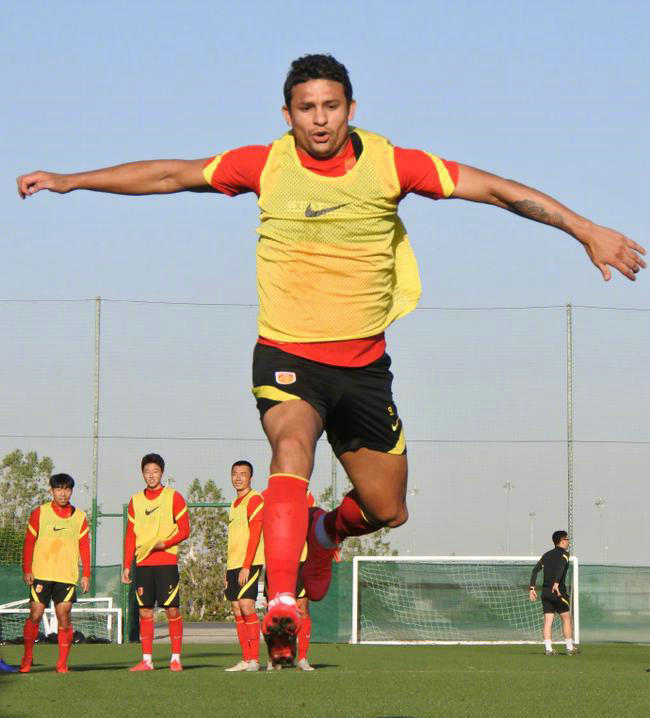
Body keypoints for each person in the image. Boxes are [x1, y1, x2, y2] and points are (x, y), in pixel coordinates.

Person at [16, 54, 646, 665]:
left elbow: (496, 191)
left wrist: (585, 229)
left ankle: (325, 533)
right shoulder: (265, 164)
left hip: (364, 369)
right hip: (287, 354)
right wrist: (72, 180)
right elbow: (168, 175)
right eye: (306, 108)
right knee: (291, 448)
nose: (319, 119)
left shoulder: (391, 164)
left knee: (388, 509)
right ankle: (282, 604)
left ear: (351, 108)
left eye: (331, 106)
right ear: (287, 115)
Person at [122, 453, 189, 671]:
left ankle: (176, 658)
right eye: (147, 471)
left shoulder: (174, 497)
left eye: (155, 471)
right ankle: (147, 660)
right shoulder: (135, 500)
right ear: (142, 474)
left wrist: (165, 543)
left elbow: (185, 530)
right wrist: (126, 565)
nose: (151, 475)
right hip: (142, 563)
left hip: (166, 562)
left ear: (162, 473)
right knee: (145, 611)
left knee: (172, 610)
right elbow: (130, 536)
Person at [20, 473, 91, 673]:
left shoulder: (79, 517)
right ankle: (27, 658)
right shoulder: (39, 513)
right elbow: (29, 542)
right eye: (59, 489)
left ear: (71, 491)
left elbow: (84, 546)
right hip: (41, 574)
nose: (62, 493)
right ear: (52, 490)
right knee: (35, 614)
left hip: (66, 576)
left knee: (64, 615)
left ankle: (62, 664)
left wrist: (86, 573)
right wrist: (27, 569)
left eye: (66, 489)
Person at [265, 491, 317, 671]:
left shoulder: (307, 496)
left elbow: (312, 527)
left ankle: (302, 658)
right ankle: (275, 657)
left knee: (302, 608)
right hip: (277, 560)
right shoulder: (268, 495)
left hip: (301, 561)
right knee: (275, 612)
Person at [223, 460, 264, 672]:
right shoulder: (234, 504)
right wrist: (227, 570)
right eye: (235, 473)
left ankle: (255, 659)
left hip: (250, 563)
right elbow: (234, 541)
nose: (238, 478)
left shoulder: (255, 499)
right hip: (234, 565)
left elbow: (255, 533)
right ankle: (246, 659)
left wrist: (247, 566)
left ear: (251, 477)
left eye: (243, 474)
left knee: (247, 606)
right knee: (237, 609)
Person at [529, 530, 577, 655]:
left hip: (545, 593)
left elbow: (535, 570)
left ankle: (548, 649)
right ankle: (569, 648)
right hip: (557, 592)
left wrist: (532, 588)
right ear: (562, 541)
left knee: (548, 621)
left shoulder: (546, 555)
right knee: (566, 618)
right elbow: (561, 566)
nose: (568, 542)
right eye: (567, 539)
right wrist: (556, 583)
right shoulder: (565, 554)